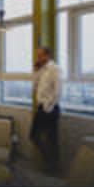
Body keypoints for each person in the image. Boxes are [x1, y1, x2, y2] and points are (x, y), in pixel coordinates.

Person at [31, 40, 63, 172]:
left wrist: (48, 107)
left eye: (40, 55)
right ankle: (49, 162)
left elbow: (58, 91)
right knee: (33, 136)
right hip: (41, 107)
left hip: (50, 109)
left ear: (47, 56)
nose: (38, 58)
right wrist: (35, 71)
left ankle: (52, 167)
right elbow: (34, 87)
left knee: (51, 140)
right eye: (37, 56)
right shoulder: (42, 70)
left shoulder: (55, 69)